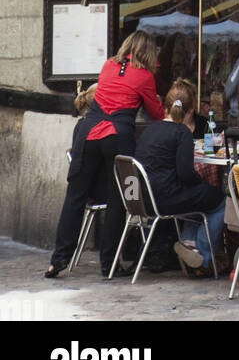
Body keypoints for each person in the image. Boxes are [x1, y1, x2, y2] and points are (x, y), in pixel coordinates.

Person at [46, 31, 163, 279]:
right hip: (118, 135)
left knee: (75, 196)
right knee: (118, 198)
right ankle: (109, 264)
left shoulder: (108, 65)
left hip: (88, 132)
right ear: (148, 52)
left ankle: (58, 259)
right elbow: (156, 113)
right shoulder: (144, 76)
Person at [135, 78, 226, 276]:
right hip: (166, 199)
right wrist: (200, 183)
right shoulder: (181, 132)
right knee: (220, 201)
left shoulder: (150, 129)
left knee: (199, 198)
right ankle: (203, 257)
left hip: (141, 199)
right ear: (190, 111)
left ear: (166, 107)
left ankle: (188, 244)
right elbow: (185, 173)